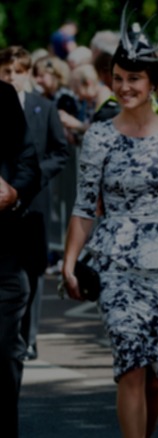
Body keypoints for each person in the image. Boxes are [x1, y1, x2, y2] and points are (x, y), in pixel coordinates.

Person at [61, 14, 158, 437]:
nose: (124, 87)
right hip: (114, 259)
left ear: (153, 82)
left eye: (134, 78)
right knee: (131, 366)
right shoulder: (100, 136)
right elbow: (85, 206)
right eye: (118, 78)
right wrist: (69, 262)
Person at [0, 46, 70, 362]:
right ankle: (11, 335)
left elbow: (60, 151)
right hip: (4, 207)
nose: (11, 77)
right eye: (6, 71)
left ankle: (29, 338)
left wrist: (34, 179)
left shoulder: (43, 107)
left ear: (27, 74)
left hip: (33, 204)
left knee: (33, 272)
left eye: (17, 71)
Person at [0, 78, 39, 438]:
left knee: (5, 351)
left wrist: (13, 192)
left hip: (5, 256)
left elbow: (29, 163)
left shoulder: (4, 96)